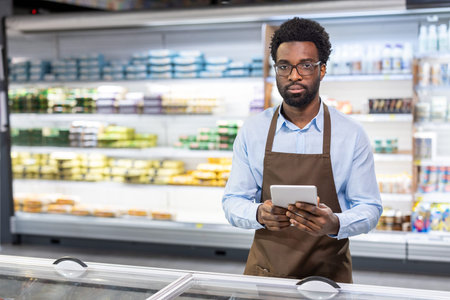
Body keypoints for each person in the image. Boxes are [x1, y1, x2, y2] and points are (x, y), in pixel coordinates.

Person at [222, 17, 382, 283]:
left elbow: (369, 207)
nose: (293, 75)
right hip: (266, 275)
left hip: (328, 278)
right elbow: (232, 201)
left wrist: (335, 224)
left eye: (305, 65)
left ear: (322, 70)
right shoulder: (253, 130)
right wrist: (259, 214)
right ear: (275, 70)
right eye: (284, 66)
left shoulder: (351, 134)